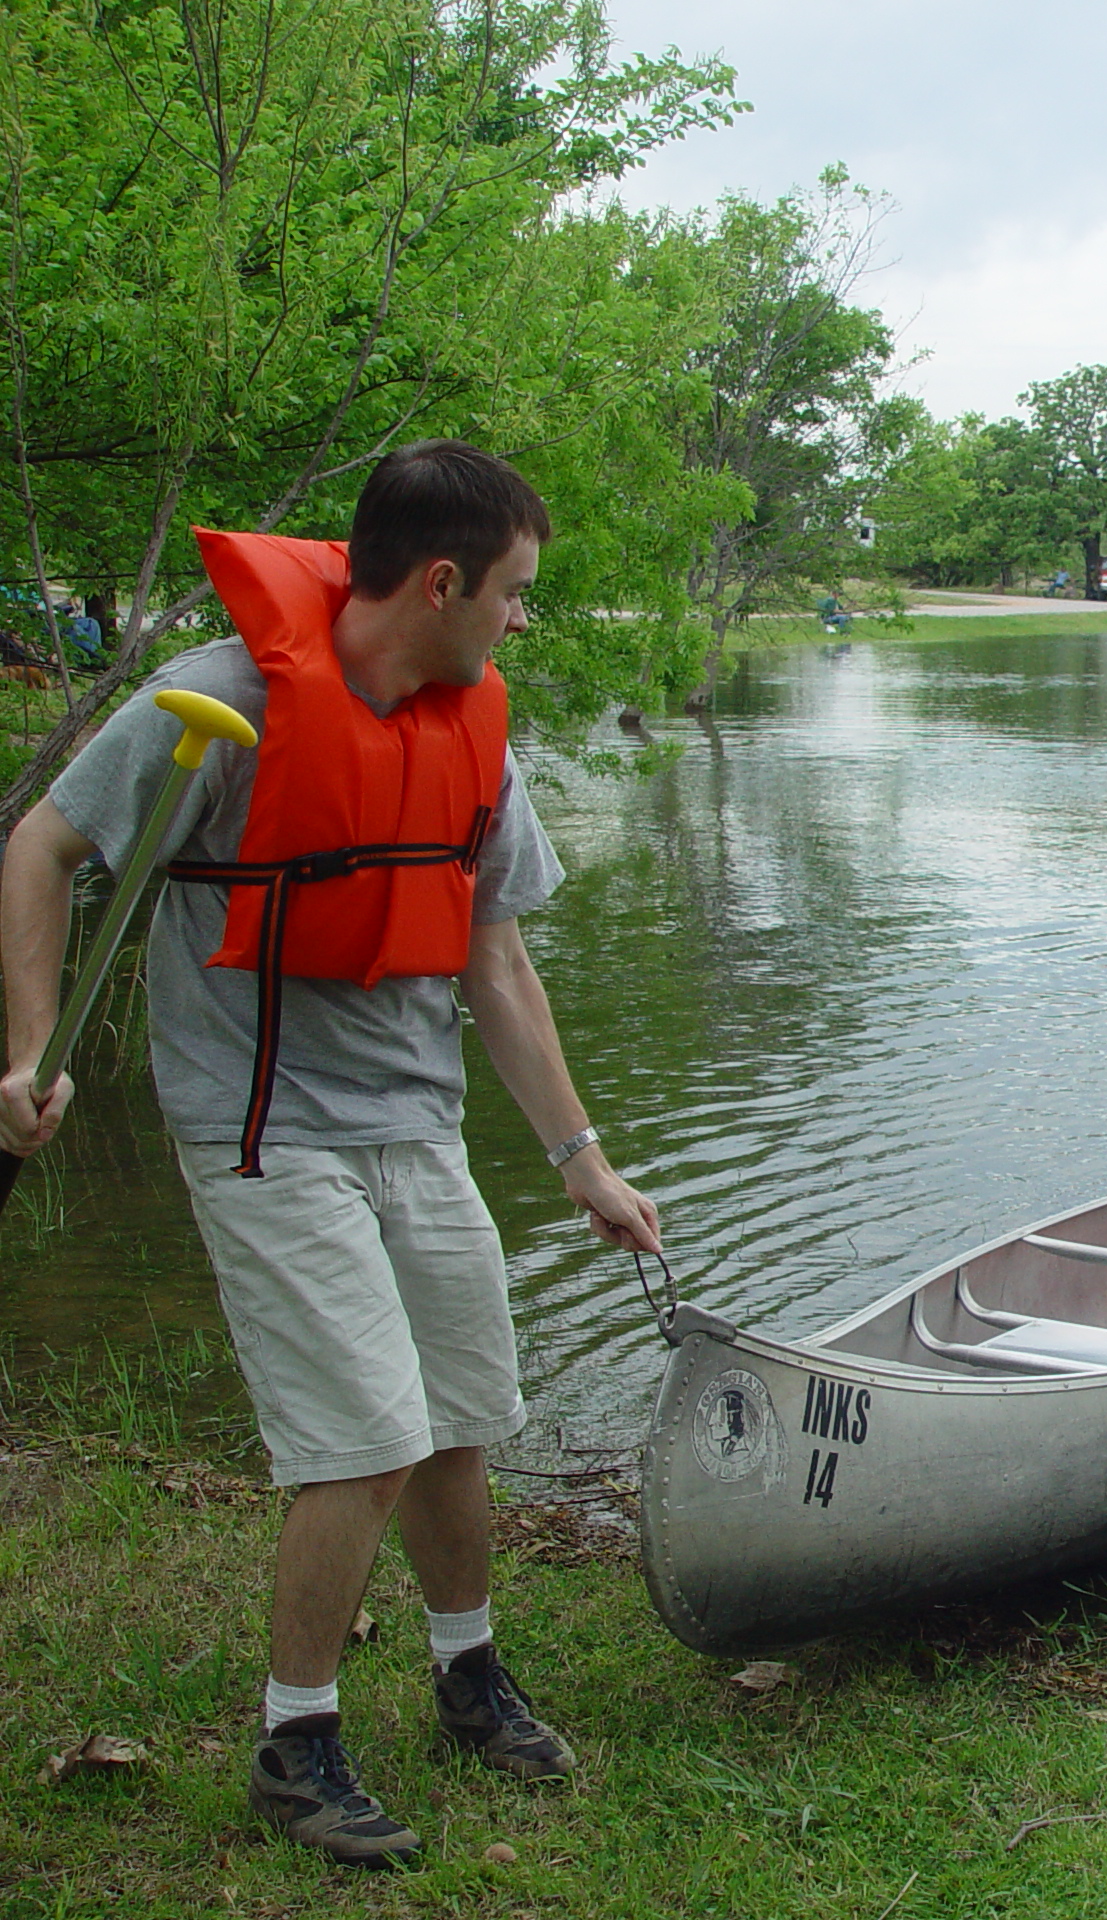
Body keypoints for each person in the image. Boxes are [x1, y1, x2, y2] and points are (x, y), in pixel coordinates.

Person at [0, 440, 661, 1870]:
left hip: (413, 1125)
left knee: (461, 1413)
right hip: (262, 1131)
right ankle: (295, 1741)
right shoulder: (218, 707)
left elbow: (496, 961)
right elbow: (41, 850)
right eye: (514, 592)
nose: (521, 620)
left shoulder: (472, 726)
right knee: (361, 1436)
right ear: (441, 581)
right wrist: (27, 1047)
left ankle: (467, 1671)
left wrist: (580, 1160)